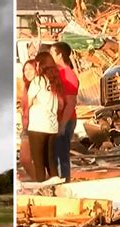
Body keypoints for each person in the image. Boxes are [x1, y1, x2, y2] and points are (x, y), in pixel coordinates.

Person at [27, 52, 64, 182]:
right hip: (52, 126)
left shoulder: (38, 81)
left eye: (36, 64)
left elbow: (29, 101)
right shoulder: (55, 81)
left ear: (40, 64)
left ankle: (41, 190)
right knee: (50, 161)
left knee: (38, 163)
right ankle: (57, 186)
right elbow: (61, 104)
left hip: (38, 125)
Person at [49, 42, 79, 182]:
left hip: (66, 120)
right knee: (54, 154)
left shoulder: (69, 75)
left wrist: (62, 125)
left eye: (52, 53)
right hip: (57, 119)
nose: (50, 56)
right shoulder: (57, 73)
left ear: (60, 54)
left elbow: (70, 103)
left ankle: (64, 183)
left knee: (61, 155)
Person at [19, 59, 37, 181]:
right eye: (25, 69)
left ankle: (42, 183)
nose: (27, 72)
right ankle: (38, 181)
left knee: (36, 159)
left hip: (38, 127)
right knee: (24, 159)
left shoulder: (40, 85)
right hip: (27, 126)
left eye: (31, 69)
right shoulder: (26, 86)